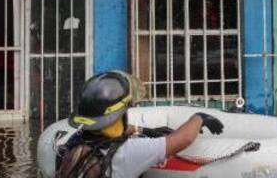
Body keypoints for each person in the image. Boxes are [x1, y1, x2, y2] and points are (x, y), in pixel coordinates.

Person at [56, 71, 224, 178]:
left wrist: (142, 130)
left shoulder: (75, 143)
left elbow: (107, 132)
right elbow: (183, 139)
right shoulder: (127, 153)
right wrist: (199, 117)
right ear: (118, 115)